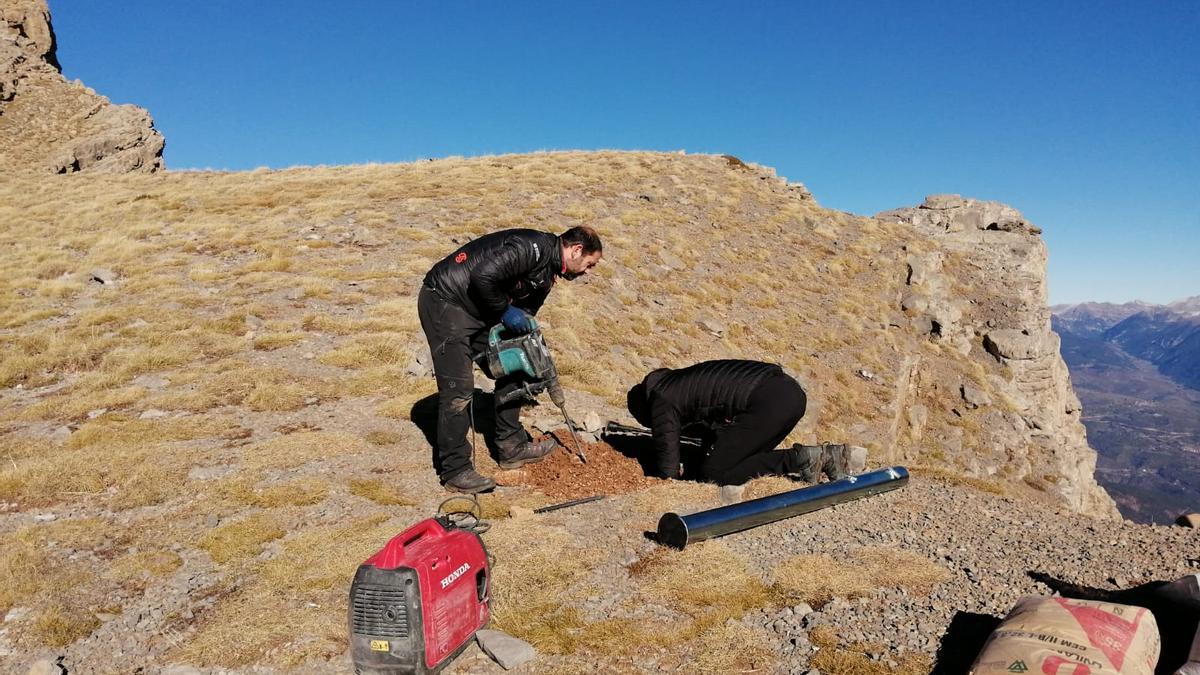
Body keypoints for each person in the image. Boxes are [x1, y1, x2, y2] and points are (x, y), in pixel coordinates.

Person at [419, 226, 603, 493]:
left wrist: (527, 343)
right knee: (458, 389)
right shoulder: (530, 248)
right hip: (446, 301)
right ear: (576, 250)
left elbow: (525, 313)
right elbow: (483, 277)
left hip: (481, 310)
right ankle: (455, 470)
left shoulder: (549, 272)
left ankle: (511, 447)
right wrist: (506, 311)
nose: (589, 272)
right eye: (589, 264)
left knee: (521, 363)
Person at [625, 359, 855, 492]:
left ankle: (806, 459)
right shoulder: (680, 382)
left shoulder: (662, 399)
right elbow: (713, 427)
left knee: (714, 473)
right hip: (789, 394)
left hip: (768, 402)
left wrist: (670, 484)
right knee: (742, 459)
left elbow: (667, 448)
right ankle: (827, 457)